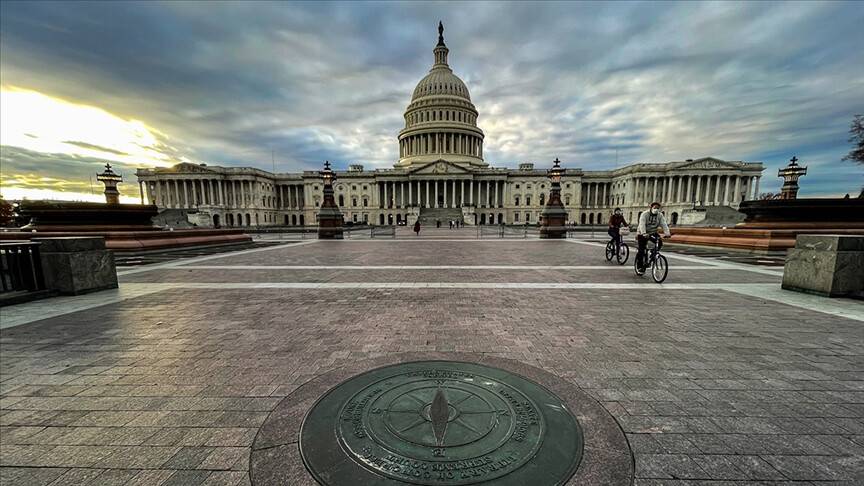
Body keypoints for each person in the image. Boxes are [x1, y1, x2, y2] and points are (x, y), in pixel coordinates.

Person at [636, 202, 671, 271]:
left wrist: (667, 233)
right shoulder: (645, 214)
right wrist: (644, 233)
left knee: (659, 243)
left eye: (658, 208)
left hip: (653, 232)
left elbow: (664, 224)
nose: (656, 209)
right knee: (641, 250)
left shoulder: (660, 215)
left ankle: (653, 254)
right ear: (651, 208)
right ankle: (639, 266)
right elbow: (642, 224)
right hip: (642, 232)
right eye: (655, 208)